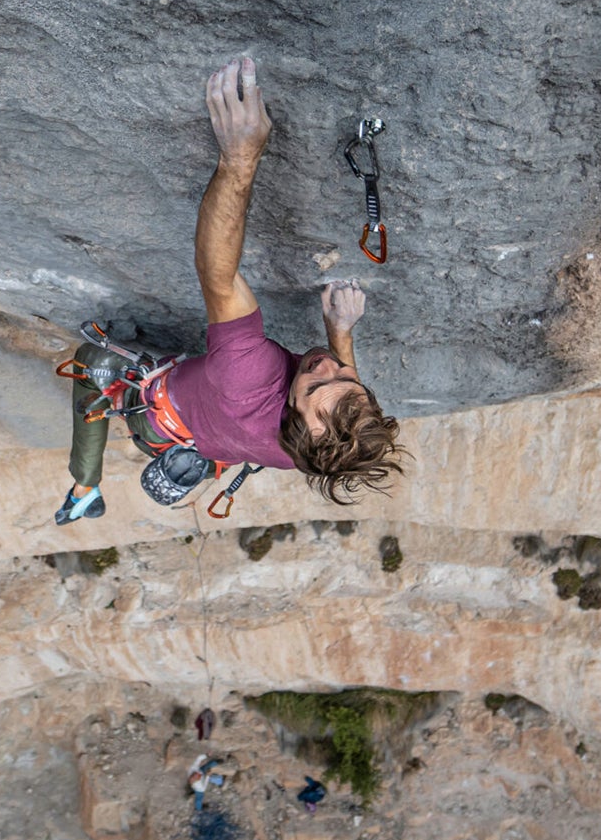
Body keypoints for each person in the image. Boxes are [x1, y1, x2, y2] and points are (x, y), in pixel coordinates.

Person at [56, 56, 405, 524]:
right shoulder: (321, 451)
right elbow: (335, 397)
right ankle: (87, 490)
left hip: (161, 419)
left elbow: (217, 275)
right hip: (217, 444)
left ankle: (84, 488)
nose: (328, 366)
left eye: (315, 383)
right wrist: (339, 330)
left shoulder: (251, 378)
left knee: (92, 360)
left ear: (295, 418)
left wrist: (239, 159)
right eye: (348, 380)